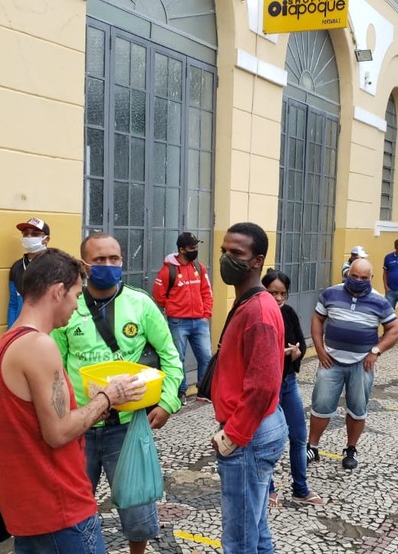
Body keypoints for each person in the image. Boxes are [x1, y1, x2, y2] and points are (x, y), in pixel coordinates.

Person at [0, 248, 146, 553]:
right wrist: (109, 398)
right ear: (58, 292)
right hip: (58, 507)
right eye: (75, 295)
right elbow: (58, 432)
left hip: (28, 505)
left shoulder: (8, 341)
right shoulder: (39, 346)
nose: (77, 305)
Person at [52, 232, 184, 554]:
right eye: (99, 260)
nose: (108, 265)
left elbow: (170, 355)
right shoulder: (69, 307)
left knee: (137, 509)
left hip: (126, 427)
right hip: (79, 427)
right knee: (72, 508)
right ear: (84, 265)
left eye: (114, 259)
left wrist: (167, 401)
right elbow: (55, 368)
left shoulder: (140, 303)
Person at [209, 222, 287, 553]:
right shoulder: (247, 301)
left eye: (236, 253)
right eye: (224, 251)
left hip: (250, 435)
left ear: (257, 261)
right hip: (254, 430)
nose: (227, 258)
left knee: (239, 539)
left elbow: (263, 385)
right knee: (255, 528)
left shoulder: (258, 310)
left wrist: (233, 436)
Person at [309, 259, 398, 469]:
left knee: (357, 408)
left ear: (371, 278)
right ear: (347, 274)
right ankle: (312, 447)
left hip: (362, 364)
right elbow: (317, 319)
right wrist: (320, 349)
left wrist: (375, 351)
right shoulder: (330, 293)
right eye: (354, 276)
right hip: (330, 361)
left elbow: (395, 330)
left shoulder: (380, 301)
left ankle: (350, 450)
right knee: (321, 405)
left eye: (363, 278)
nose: (358, 281)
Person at [262, 269, 326, 507]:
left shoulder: (288, 313)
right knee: (268, 439)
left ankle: (301, 488)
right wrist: (278, 354)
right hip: (268, 387)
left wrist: (296, 354)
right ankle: (268, 489)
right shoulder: (259, 314)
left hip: (288, 382)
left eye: (282, 294)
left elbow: (301, 342)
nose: (278, 299)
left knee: (299, 437)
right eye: (272, 293)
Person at [152, 231, 213, 405]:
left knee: (206, 357)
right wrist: (174, 309)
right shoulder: (167, 271)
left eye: (196, 247)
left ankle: (204, 390)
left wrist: (206, 314)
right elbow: (158, 296)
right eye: (191, 247)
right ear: (182, 249)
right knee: (178, 359)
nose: (195, 250)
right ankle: (181, 392)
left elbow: (206, 292)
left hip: (200, 321)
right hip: (178, 323)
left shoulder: (199, 268)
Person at [8, 217, 51, 328]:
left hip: (47, 331)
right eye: (25, 234)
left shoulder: (56, 265)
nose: (29, 237)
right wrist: (10, 332)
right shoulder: (17, 267)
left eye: (35, 234)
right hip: (22, 331)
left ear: (46, 239)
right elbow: (13, 304)